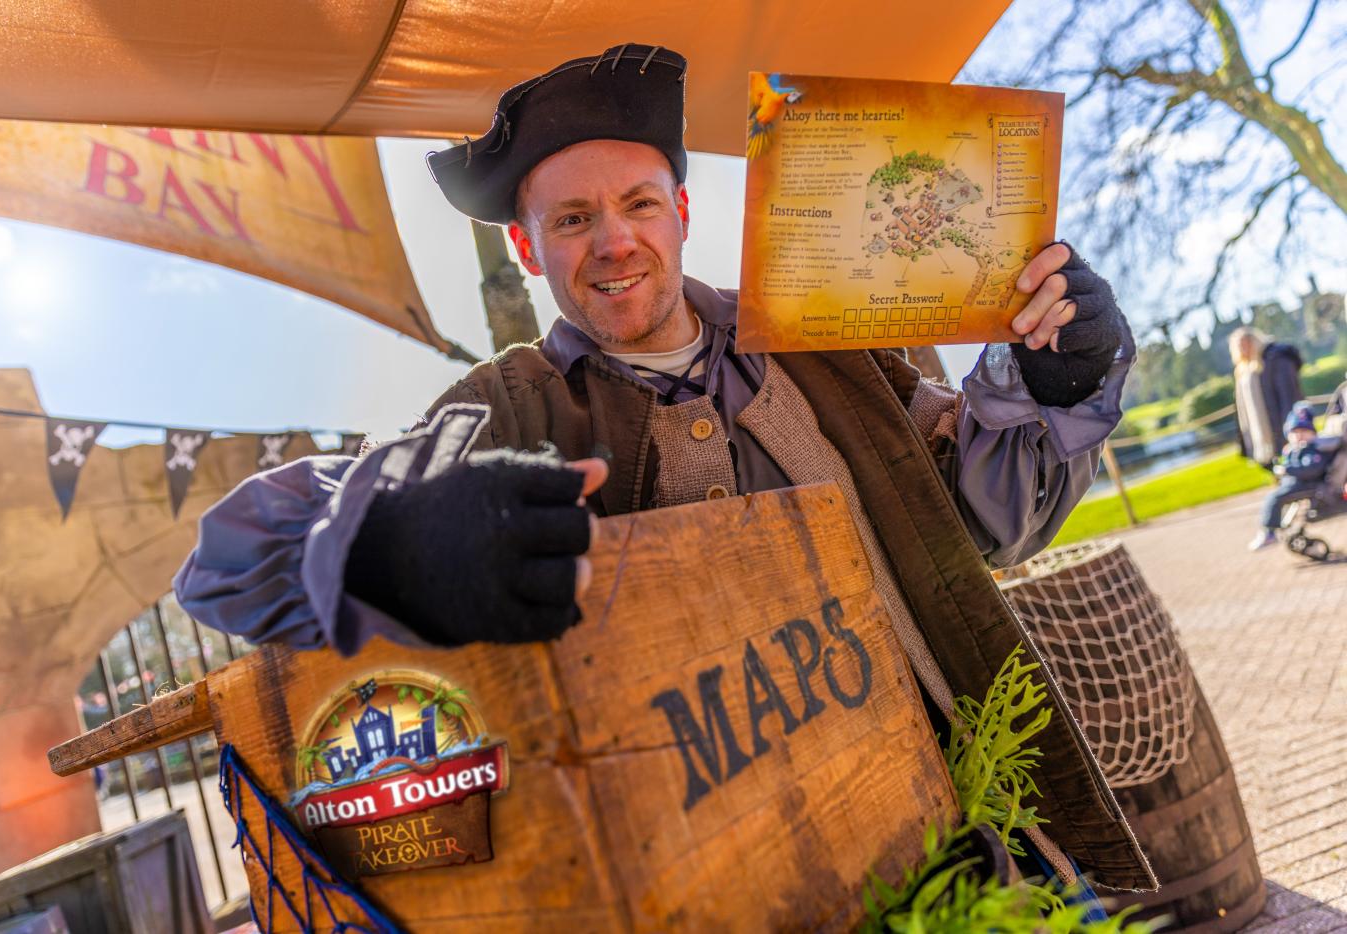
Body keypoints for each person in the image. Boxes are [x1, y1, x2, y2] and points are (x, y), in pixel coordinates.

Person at [173, 44, 1152, 890]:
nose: (614, 242)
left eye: (638, 203)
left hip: (965, 845)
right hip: (702, 888)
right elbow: (220, 569)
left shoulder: (822, 343)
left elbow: (985, 526)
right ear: (527, 249)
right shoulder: (503, 409)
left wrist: (1060, 377)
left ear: (680, 210)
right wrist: (381, 543)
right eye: (570, 220)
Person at [1249, 403, 1343, 550]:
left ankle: (1270, 531)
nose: (1299, 436)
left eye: (1304, 431)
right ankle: (1277, 528)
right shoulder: (1295, 449)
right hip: (1297, 484)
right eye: (1295, 432)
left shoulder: (1313, 449)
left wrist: (1287, 469)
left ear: (1313, 433)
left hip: (1310, 485)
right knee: (1276, 497)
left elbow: (1312, 469)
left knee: (1274, 498)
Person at [1230, 327, 1303, 467]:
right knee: (1273, 464)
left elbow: (1288, 395)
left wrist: (1290, 425)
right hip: (1257, 426)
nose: (1244, 349)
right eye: (1240, 346)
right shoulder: (1243, 370)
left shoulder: (1274, 359)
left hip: (1280, 423)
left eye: (1247, 343)